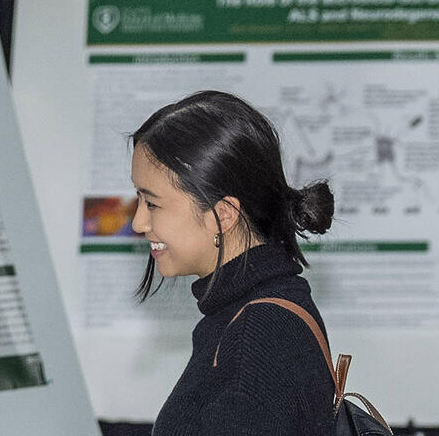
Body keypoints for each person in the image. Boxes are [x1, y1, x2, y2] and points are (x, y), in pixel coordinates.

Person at [129, 91, 337, 435]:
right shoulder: (263, 310)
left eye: (152, 204)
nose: (138, 223)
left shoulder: (256, 336)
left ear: (222, 215)